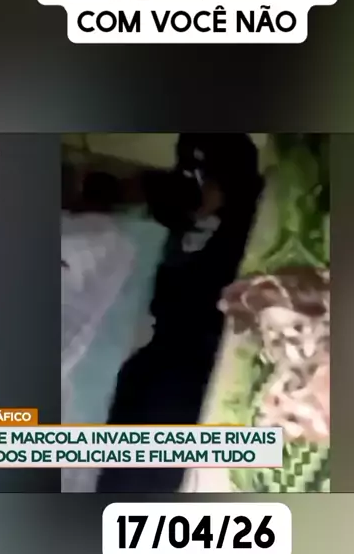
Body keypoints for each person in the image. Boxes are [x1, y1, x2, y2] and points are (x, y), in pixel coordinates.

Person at [97, 133, 262, 493]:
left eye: (206, 177)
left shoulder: (245, 222)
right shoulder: (181, 212)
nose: (197, 186)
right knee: (132, 395)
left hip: (201, 351)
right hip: (163, 349)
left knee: (163, 408)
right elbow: (133, 189)